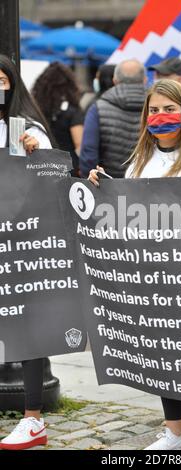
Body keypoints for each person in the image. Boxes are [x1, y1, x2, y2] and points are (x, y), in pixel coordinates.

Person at [88, 79, 181, 451]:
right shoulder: (140, 160)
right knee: (165, 352)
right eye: (154, 110)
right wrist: (100, 187)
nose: (161, 116)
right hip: (156, 278)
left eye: (169, 109)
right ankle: (176, 431)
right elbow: (128, 213)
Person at [0, 54, 53, 450]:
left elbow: (51, 180)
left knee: (28, 330)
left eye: (1, 79)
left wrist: (38, 153)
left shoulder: (27, 129)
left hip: (20, 243)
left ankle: (32, 418)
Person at [80, 59, 147, 179]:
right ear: (144, 80)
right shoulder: (156, 107)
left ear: (115, 80)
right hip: (148, 186)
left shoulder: (98, 108)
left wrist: (90, 180)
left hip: (110, 188)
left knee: (122, 199)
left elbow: (88, 152)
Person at [31, 62, 84, 177]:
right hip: (68, 166)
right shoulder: (72, 111)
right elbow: (79, 143)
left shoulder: (37, 109)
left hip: (42, 164)